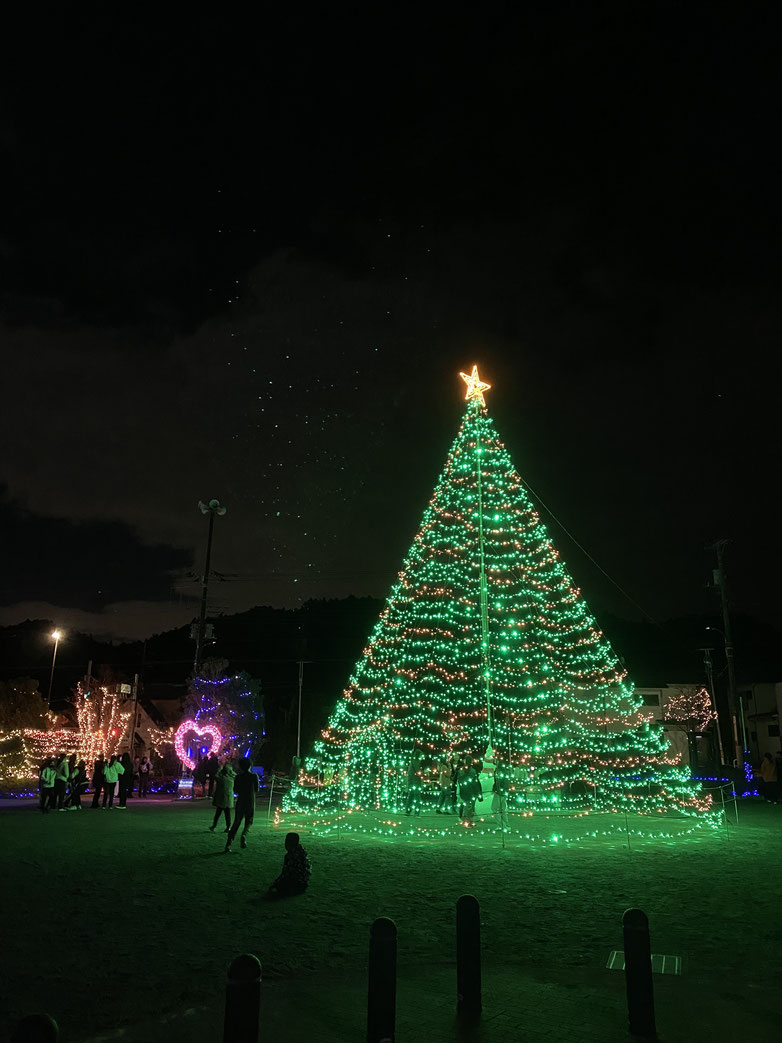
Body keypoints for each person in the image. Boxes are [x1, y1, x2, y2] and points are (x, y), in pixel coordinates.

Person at [224, 758, 258, 852]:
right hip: (250, 801)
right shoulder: (254, 776)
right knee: (249, 821)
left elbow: (235, 790)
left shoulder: (238, 777)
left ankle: (228, 844)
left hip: (241, 801)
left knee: (236, 822)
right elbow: (257, 789)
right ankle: (244, 835)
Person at [266, 832, 311, 899]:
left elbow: (286, 872)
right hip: (303, 881)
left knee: (280, 886)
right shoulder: (301, 851)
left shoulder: (291, 856)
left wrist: (276, 883)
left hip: (297, 881)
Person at [209, 760, 236, 833]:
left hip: (221, 799)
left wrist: (220, 769)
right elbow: (234, 774)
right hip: (228, 799)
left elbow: (216, 776)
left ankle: (214, 826)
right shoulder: (232, 778)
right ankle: (228, 827)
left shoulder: (221, 778)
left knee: (218, 814)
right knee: (227, 815)